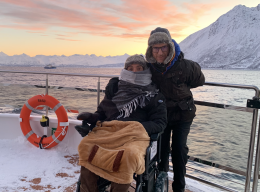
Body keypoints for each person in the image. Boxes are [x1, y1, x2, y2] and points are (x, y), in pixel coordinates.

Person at [105, 27, 205, 192]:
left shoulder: (187, 66)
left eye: (163, 47)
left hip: (182, 114)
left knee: (179, 149)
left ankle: (179, 187)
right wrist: (114, 82)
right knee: (161, 149)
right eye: (156, 48)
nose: (160, 52)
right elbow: (132, 76)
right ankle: (161, 181)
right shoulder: (149, 66)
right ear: (151, 49)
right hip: (161, 114)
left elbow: (199, 80)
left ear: (170, 45)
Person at [76, 54, 167, 192]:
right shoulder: (115, 89)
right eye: (130, 68)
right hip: (109, 132)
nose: (134, 72)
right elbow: (101, 113)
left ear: (145, 70)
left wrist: (136, 127)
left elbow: (160, 123)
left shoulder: (154, 95)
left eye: (138, 68)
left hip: (134, 136)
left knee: (128, 155)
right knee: (86, 145)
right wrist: (91, 117)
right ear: (125, 70)